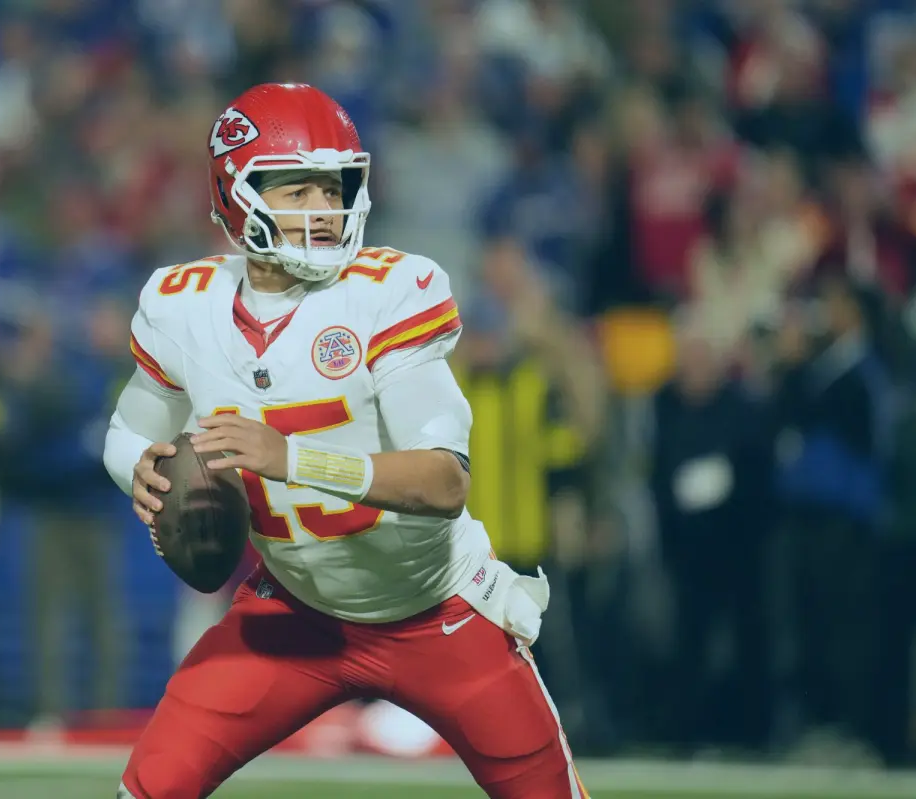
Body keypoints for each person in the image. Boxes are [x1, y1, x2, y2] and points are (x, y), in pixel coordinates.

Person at [104, 83, 586, 799]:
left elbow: (444, 482)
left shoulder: (389, 292)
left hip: (440, 614)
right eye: (298, 190)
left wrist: (289, 458)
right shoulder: (183, 305)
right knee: (147, 789)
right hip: (294, 612)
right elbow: (129, 430)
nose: (324, 209)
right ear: (237, 195)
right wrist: (138, 470)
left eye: (333, 188)